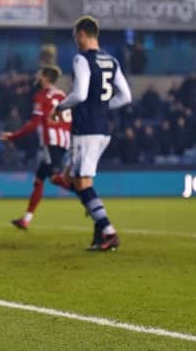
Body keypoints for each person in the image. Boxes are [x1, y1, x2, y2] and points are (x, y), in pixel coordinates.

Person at [51, 16, 131, 251]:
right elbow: (126, 96)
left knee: (81, 182)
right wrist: (104, 107)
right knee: (77, 179)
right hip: (103, 128)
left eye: (76, 35)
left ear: (83, 34)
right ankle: (99, 233)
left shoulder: (82, 58)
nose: (75, 40)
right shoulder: (112, 60)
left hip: (86, 127)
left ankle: (108, 230)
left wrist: (60, 107)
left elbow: (80, 94)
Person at [0, 64, 71, 230]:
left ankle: (85, 194)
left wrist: (13, 136)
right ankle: (26, 219)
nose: (37, 77)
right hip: (64, 141)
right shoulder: (62, 94)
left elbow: (34, 123)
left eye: (40, 75)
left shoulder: (42, 95)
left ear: (45, 77)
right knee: (39, 180)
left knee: (54, 177)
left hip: (51, 141)